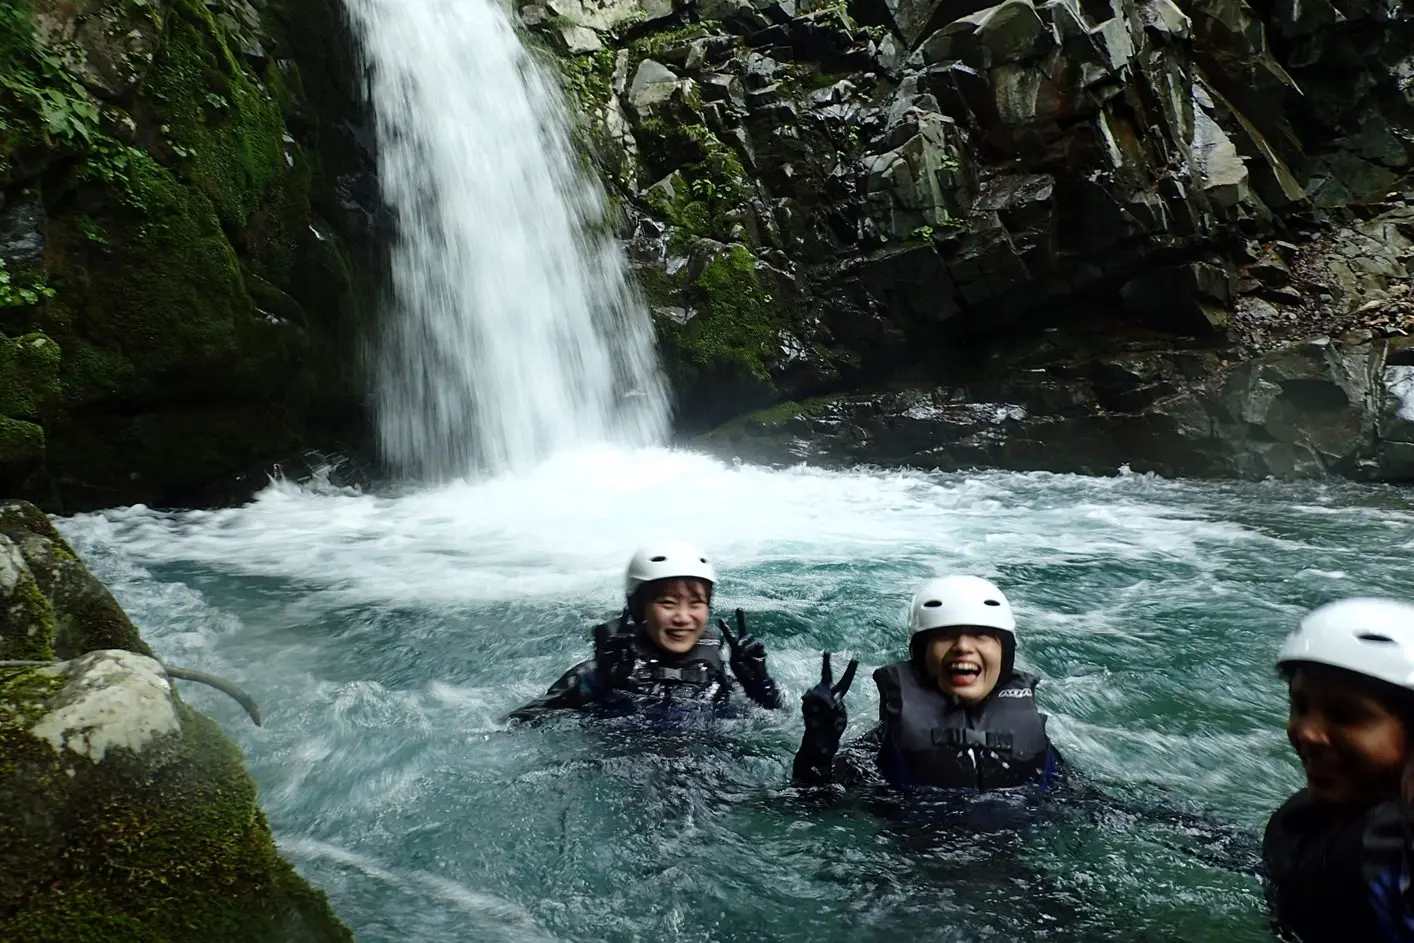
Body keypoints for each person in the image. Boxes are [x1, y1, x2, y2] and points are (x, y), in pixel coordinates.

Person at [792, 574, 1062, 791]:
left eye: (981, 635)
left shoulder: (1039, 745)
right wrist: (818, 748)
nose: (962, 647)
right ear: (921, 653)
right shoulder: (884, 744)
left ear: (1005, 652)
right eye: (945, 635)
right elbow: (812, 804)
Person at [1263, 596, 1414, 943]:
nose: (1305, 732)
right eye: (1299, 706)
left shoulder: (1391, 855)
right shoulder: (1308, 823)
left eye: (1346, 716)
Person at [507, 540, 783, 723]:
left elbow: (775, 723)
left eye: (695, 603)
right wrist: (600, 683)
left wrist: (760, 686)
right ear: (638, 608)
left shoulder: (718, 677)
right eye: (667, 602)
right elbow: (520, 721)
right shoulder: (601, 672)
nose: (683, 617)